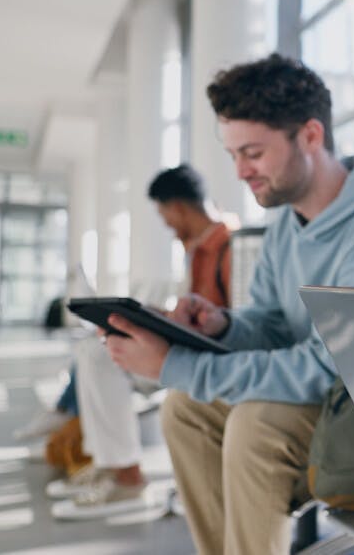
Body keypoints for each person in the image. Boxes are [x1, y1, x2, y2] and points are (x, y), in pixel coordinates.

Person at [100, 53, 354, 555]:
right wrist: (223, 327)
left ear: (311, 136)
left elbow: (326, 367)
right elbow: (275, 321)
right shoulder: (288, 219)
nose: (240, 172)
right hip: (344, 400)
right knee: (185, 410)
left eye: (252, 153)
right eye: (234, 154)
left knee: (256, 426)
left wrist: (177, 364)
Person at [50, 164, 232, 520]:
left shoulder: (230, 246)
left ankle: (127, 478)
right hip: (184, 347)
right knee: (95, 347)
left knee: (102, 357)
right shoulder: (196, 250)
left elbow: (234, 318)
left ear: (177, 206)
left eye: (163, 213)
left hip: (204, 360)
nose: (165, 223)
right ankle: (111, 465)